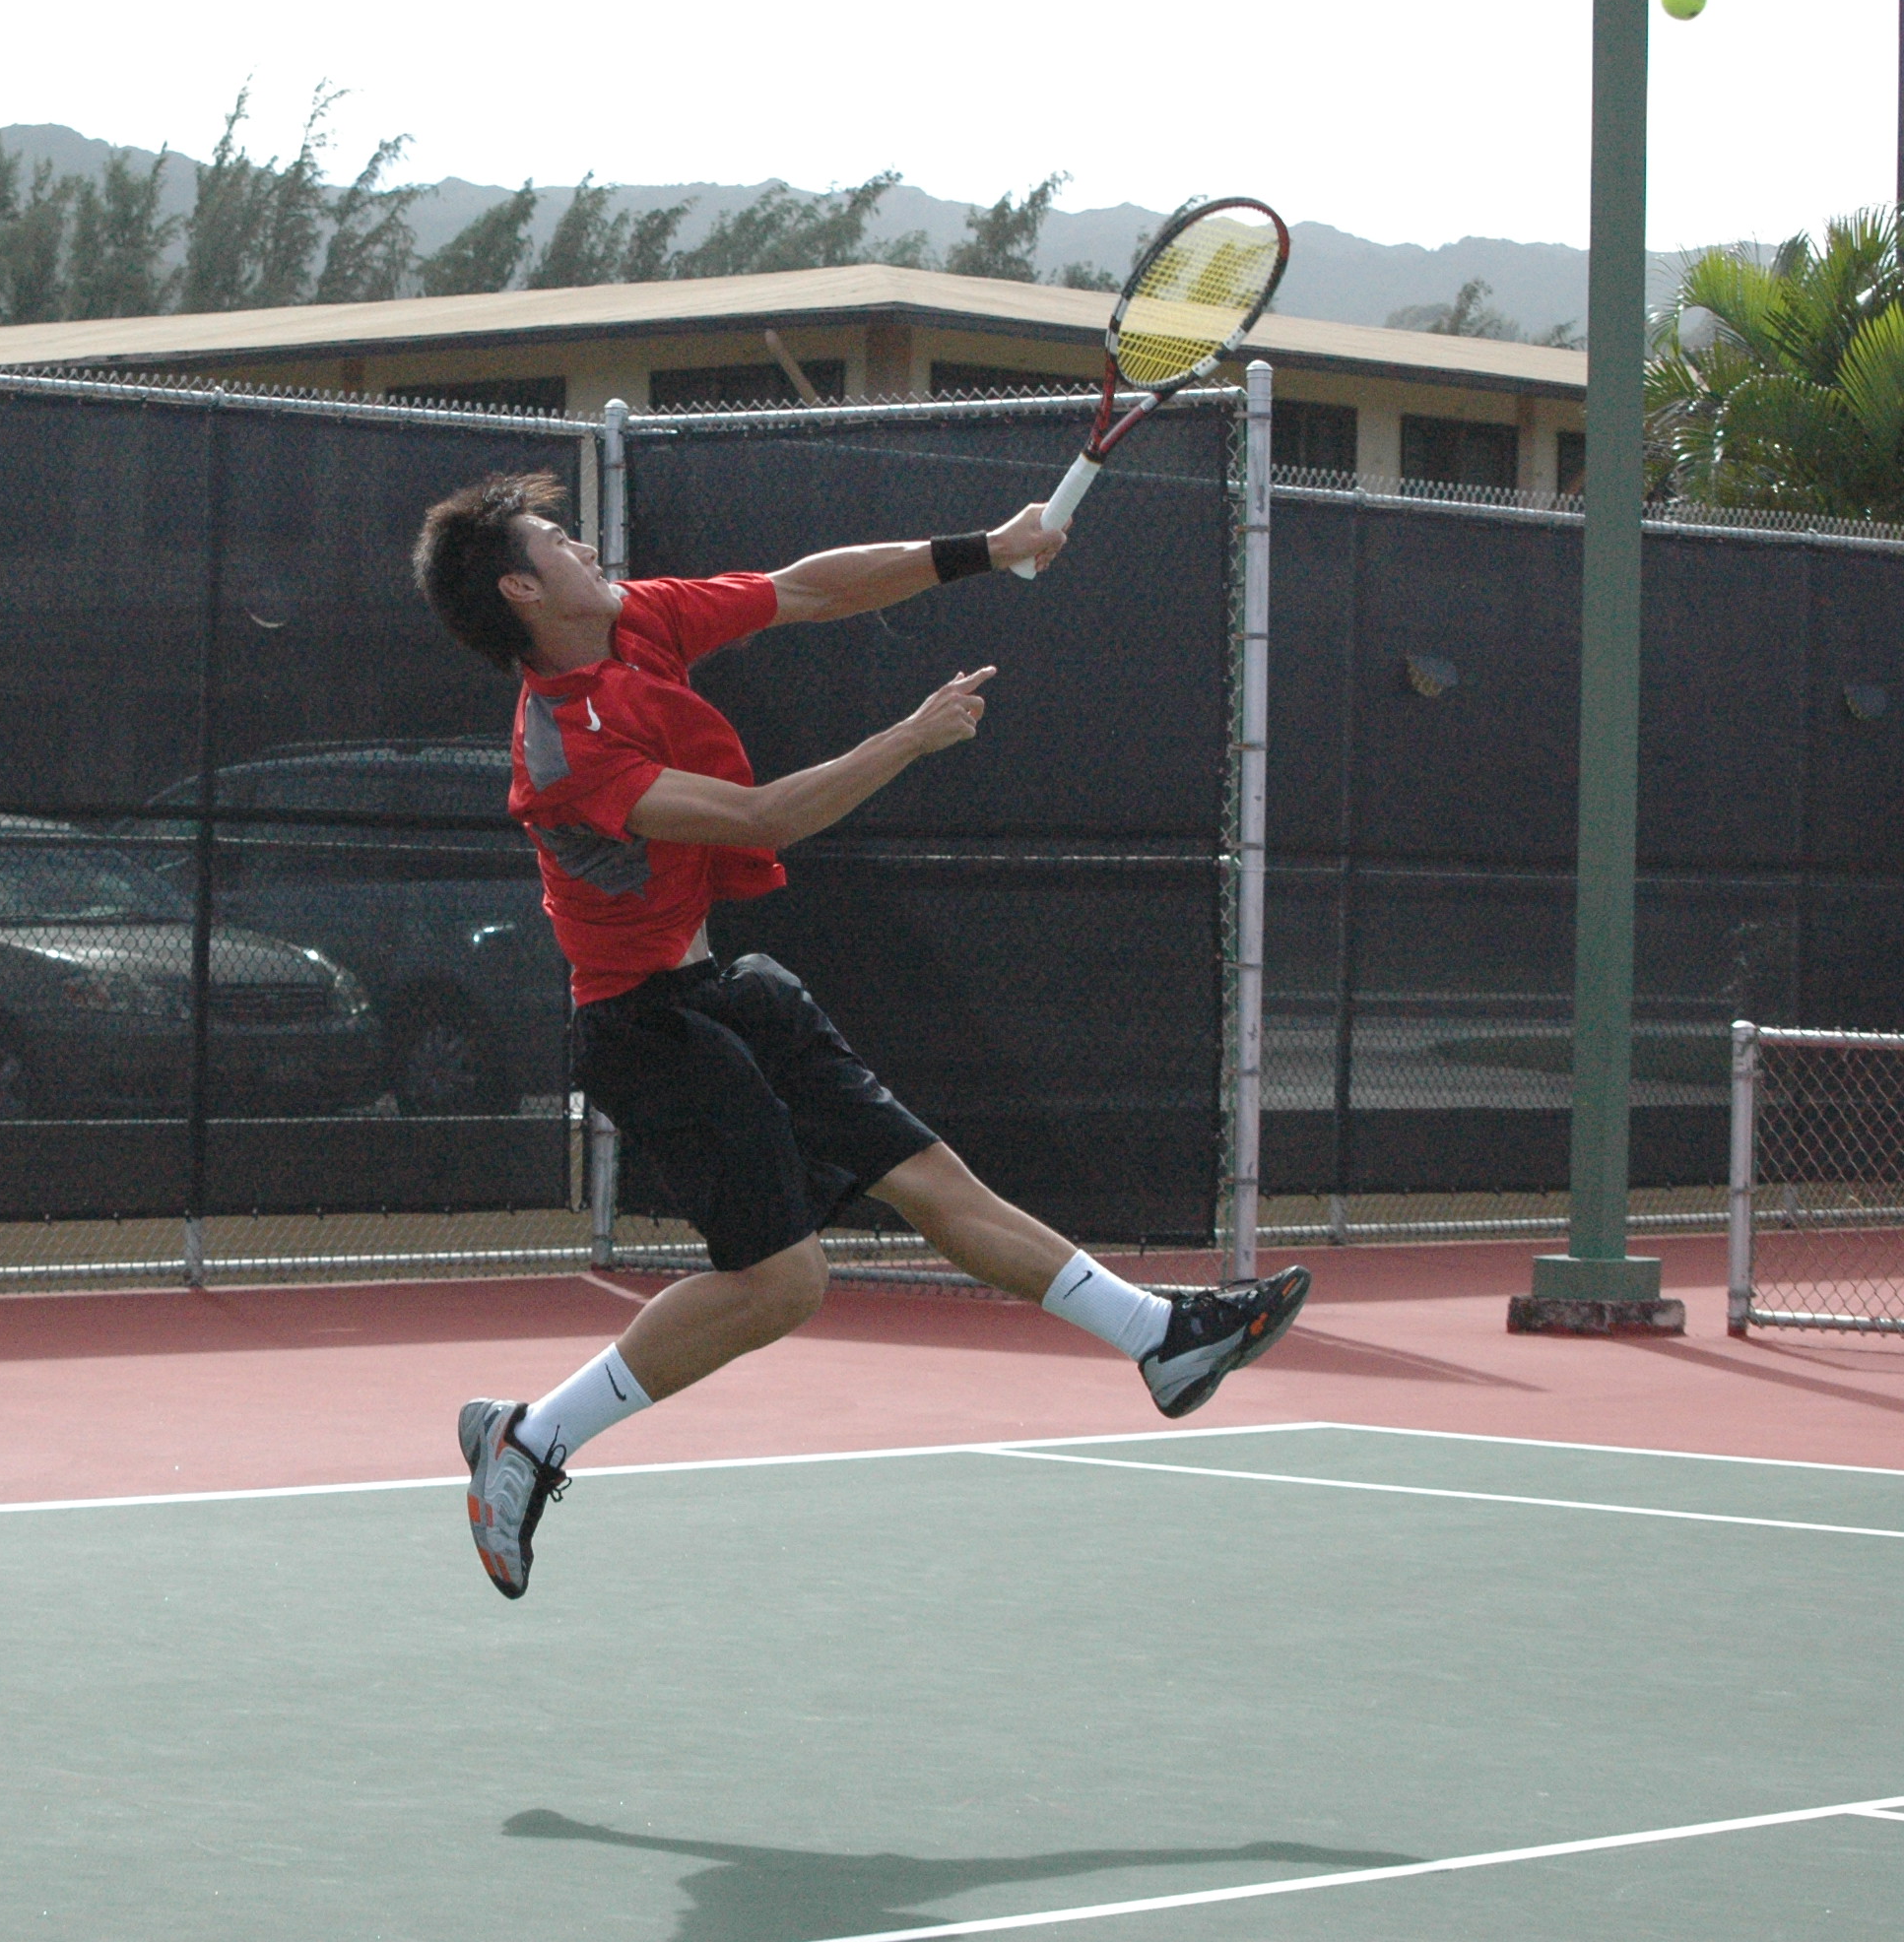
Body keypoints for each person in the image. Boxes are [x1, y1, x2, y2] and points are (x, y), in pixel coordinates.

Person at [409, 471, 1308, 1599]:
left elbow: (804, 588)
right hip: (642, 1027)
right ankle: (530, 1436)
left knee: (930, 1177)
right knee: (783, 1284)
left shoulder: (638, 618)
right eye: (557, 540)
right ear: (521, 590)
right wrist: (910, 737)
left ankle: (1157, 1338)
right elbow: (758, 817)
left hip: (723, 989)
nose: (584, 546)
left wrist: (987, 546)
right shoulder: (563, 747)